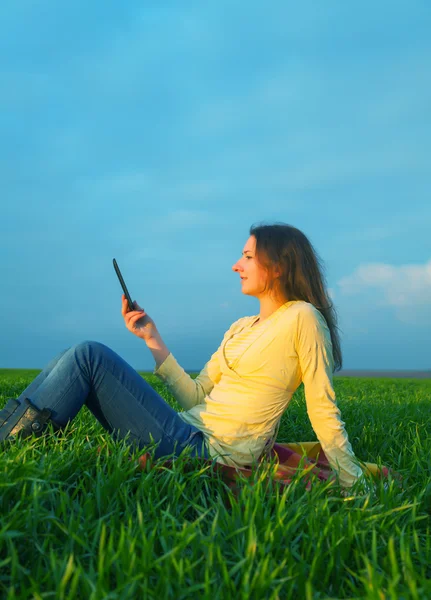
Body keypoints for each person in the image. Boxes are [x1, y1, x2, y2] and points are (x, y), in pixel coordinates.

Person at [0, 223, 363, 489]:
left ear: (279, 265)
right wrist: (151, 337)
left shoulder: (302, 318)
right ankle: (11, 436)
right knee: (70, 356)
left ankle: (9, 440)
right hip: (183, 430)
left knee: (88, 356)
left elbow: (323, 409)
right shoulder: (240, 327)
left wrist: (354, 484)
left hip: (207, 451)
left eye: (248, 256)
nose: (237, 265)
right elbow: (196, 395)